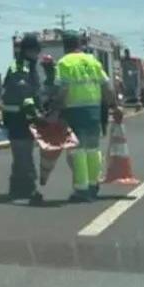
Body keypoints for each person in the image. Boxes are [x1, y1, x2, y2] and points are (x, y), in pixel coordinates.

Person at [55, 32, 123, 202]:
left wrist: (55, 110)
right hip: (94, 110)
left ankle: (81, 189)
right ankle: (93, 184)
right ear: (80, 44)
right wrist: (114, 106)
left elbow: (63, 90)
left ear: (65, 46)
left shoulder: (64, 62)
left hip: (74, 111)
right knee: (93, 148)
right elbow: (107, 87)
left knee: (77, 151)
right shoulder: (93, 61)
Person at [1, 34, 43, 202]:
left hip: (21, 116)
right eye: (36, 51)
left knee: (22, 154)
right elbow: (24, 93)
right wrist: (35, 114)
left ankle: (18, 188)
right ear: (30, 50)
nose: (38, 54)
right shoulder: (21, 67)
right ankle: (27, 189)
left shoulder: (29, 66)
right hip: (17, 117)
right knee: (23, 154)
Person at [30, 54, 78, 187]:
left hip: (59, 118)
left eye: (48, 66)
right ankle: (79, 181)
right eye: (46, 67)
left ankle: (78, 180)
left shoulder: (55, 81)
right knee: (53, 152)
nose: (47, 69)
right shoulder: (46, 83)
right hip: (55, 119)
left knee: (62, 152)